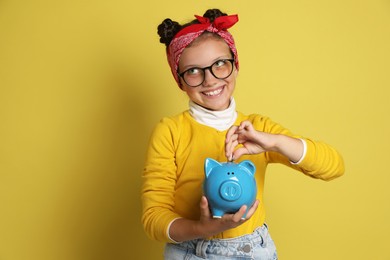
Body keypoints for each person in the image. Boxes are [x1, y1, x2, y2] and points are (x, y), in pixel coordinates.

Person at [141, 8, 344, 259]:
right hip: (189, 250)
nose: (210, 79)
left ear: (235, 65)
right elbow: (154, 217)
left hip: (251, 250)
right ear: (179, 80)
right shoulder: (170, 131)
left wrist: (275, 142)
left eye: (219, 64)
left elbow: (333, 166)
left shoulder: (257, 128)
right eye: (193, 70)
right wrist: (201, 228)